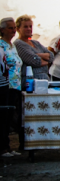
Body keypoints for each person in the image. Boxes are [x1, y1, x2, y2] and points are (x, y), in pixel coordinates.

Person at [0, 18, 23, 156]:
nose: (13, 30)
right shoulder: (1, 45)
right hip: (5, 85)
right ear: (2, 30)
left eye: (14, 28)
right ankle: (2, 147)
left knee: (10, 117)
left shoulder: (11, 45)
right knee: (3, 117)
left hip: (16, 85)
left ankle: (8, 146)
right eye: (10, 28)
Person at [14, 15, 52, 81]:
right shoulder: (18, 44)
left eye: (30, 26)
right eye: (25, 27)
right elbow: (35, 61)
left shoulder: (36, 43)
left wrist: (37, 55)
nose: (29, 29)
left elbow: (51, 56)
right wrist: (46, 59)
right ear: (18, 29)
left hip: (45, 80)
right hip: (30, 82)